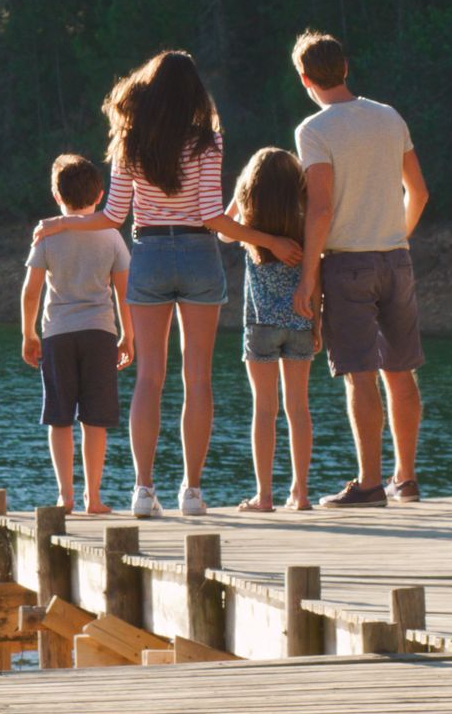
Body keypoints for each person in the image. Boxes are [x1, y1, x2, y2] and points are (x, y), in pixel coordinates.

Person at [34, 51, 301, 518]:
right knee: (197, 377)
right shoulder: (207, 142)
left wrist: (62, 224)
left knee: (149, 378)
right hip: (198, 255)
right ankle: (192, 492)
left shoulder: (130, 142)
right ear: (193, 92)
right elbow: (212, 217)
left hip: (150, 256)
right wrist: (270, 240)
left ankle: (142, 490)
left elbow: (114, 216)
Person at [287, 31, 430, 509]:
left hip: (347, 264)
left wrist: (308, 276)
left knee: (361, 376)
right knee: (401, 369)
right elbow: (420, 192)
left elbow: (321, 210)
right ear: (344, 68)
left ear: (305, 78)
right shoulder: (389, 117)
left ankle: (370, 484)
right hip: (396, 258)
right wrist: (398, 235)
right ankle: (405, 478)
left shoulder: (314, 130)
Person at [21, 154, 133, 515]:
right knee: (95, 419)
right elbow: (123, 290)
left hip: (57, 334)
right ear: (100, 195)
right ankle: (94, 497)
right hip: (100, 332)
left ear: (57, 197)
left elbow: (30, 291)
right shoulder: (111, 236)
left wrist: (29, 333)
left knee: (59, 417)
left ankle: (65, 495)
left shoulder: (47, 237)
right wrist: (128, 335)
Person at [219, 148, 316, 513]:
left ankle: (264, 496)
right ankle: (301, 493)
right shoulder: (305, 222)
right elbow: (315, 275)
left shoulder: (249, 221)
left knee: (264, 409)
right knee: (299, 409)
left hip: (260, 324)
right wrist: (317, 322)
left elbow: (222, 232)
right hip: (301, 321)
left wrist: (244, 197)